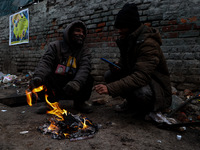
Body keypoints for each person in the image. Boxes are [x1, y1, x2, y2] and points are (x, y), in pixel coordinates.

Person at [94, 3, 172, 116]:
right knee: (110, 75)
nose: (119, 31)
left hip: (156, 89)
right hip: (143, 81)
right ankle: (132, 103)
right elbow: (127, 66)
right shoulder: (129, 40)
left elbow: (141, 76)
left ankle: (148, 109)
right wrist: (118, 67)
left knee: (141, 92)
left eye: (122, 27)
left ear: (131, 26)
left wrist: (110, 88)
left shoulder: (148, 44)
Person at [30, 20, 93, 114]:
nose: (81, 34)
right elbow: (45, 62)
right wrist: (39, 76)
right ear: (69, 32)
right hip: (57, 83)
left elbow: (85, 67)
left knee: (88, 77)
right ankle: (50, 103)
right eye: (78, 31)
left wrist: (77, 82)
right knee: (46, 76)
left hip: (73, 85)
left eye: (83, 32)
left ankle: (80, 102)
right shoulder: (55, 46)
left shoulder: (84, 51)